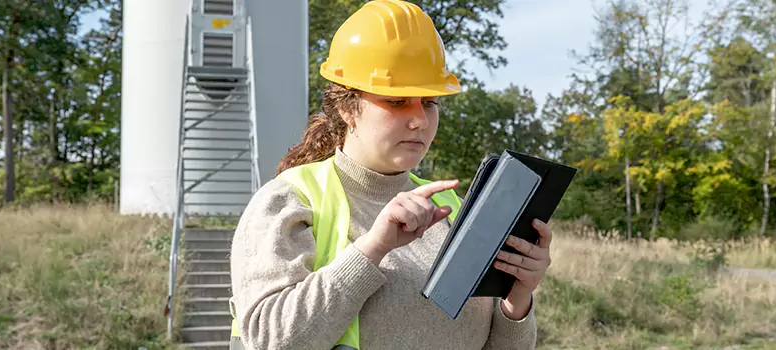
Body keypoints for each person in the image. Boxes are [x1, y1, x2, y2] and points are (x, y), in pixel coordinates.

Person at [229, 0, 553, 349]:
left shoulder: (453, 208)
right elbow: (269, 342)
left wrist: (517, 300)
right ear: (347, 107)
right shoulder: (288, 200)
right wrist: (373, 248)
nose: (420, 120)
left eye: (429, 102)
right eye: (398, 101)